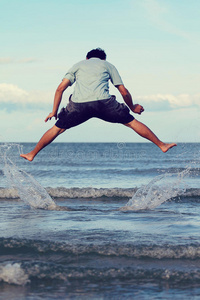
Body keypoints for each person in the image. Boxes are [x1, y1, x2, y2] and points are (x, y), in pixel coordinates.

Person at [20, 48, 176, 161]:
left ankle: (32, 154)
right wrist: (133, 107)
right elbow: (123, 91)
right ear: (103, 59)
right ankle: (161, 145)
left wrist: (53, 111)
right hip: (104, 103)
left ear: (87, 58)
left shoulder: (78, 65)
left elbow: (60, 88)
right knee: (132, 123)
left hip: (78, 105)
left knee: (58, 128)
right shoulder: (108, 65)